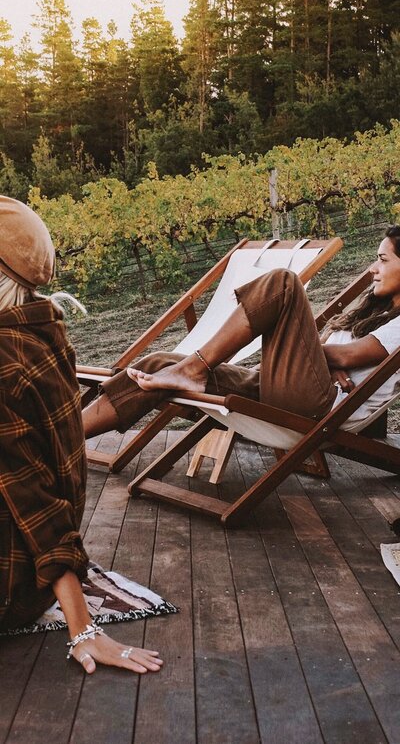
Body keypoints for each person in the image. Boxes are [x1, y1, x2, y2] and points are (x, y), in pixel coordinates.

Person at [0, 196, 162, 676]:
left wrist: (83, 627)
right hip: (27, 577)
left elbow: (34, 499)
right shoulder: (41, 329)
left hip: (10, 583)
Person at [83, 226, 400, 443]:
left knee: (283, 285)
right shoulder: (375, 311)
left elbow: (344, 354)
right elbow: (330, 354)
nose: (373, 268)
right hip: (283, 385)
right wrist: (324, 363)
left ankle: (193, 369)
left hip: (318, 406)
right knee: (157, 364)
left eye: (383, 260)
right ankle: (62, 442)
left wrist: (323, 360)